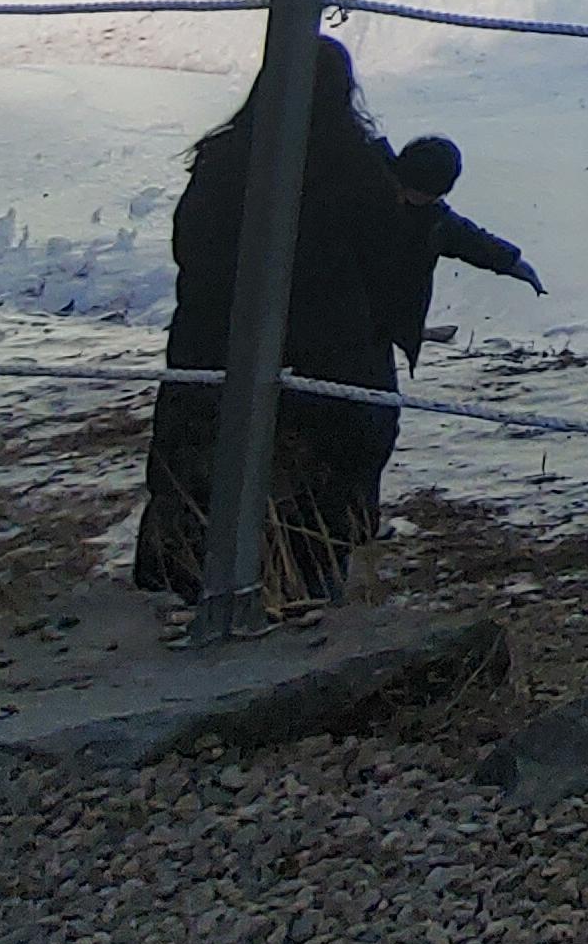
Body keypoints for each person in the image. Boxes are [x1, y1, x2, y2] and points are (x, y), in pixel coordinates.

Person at [134, 38, 413, 608]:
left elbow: (191, 249)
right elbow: (391, 270)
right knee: (322, 492)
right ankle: (305, 588)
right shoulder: (363, 170)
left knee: (202, 482)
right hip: (329, 358)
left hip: (216, 347)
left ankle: (189, 591)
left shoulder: (222, 158)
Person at [385, 137, 544, 370]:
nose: (407, 197)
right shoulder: (369, 187)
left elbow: (476, 243)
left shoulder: (436, 221)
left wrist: (515, 263)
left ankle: (409, 330)